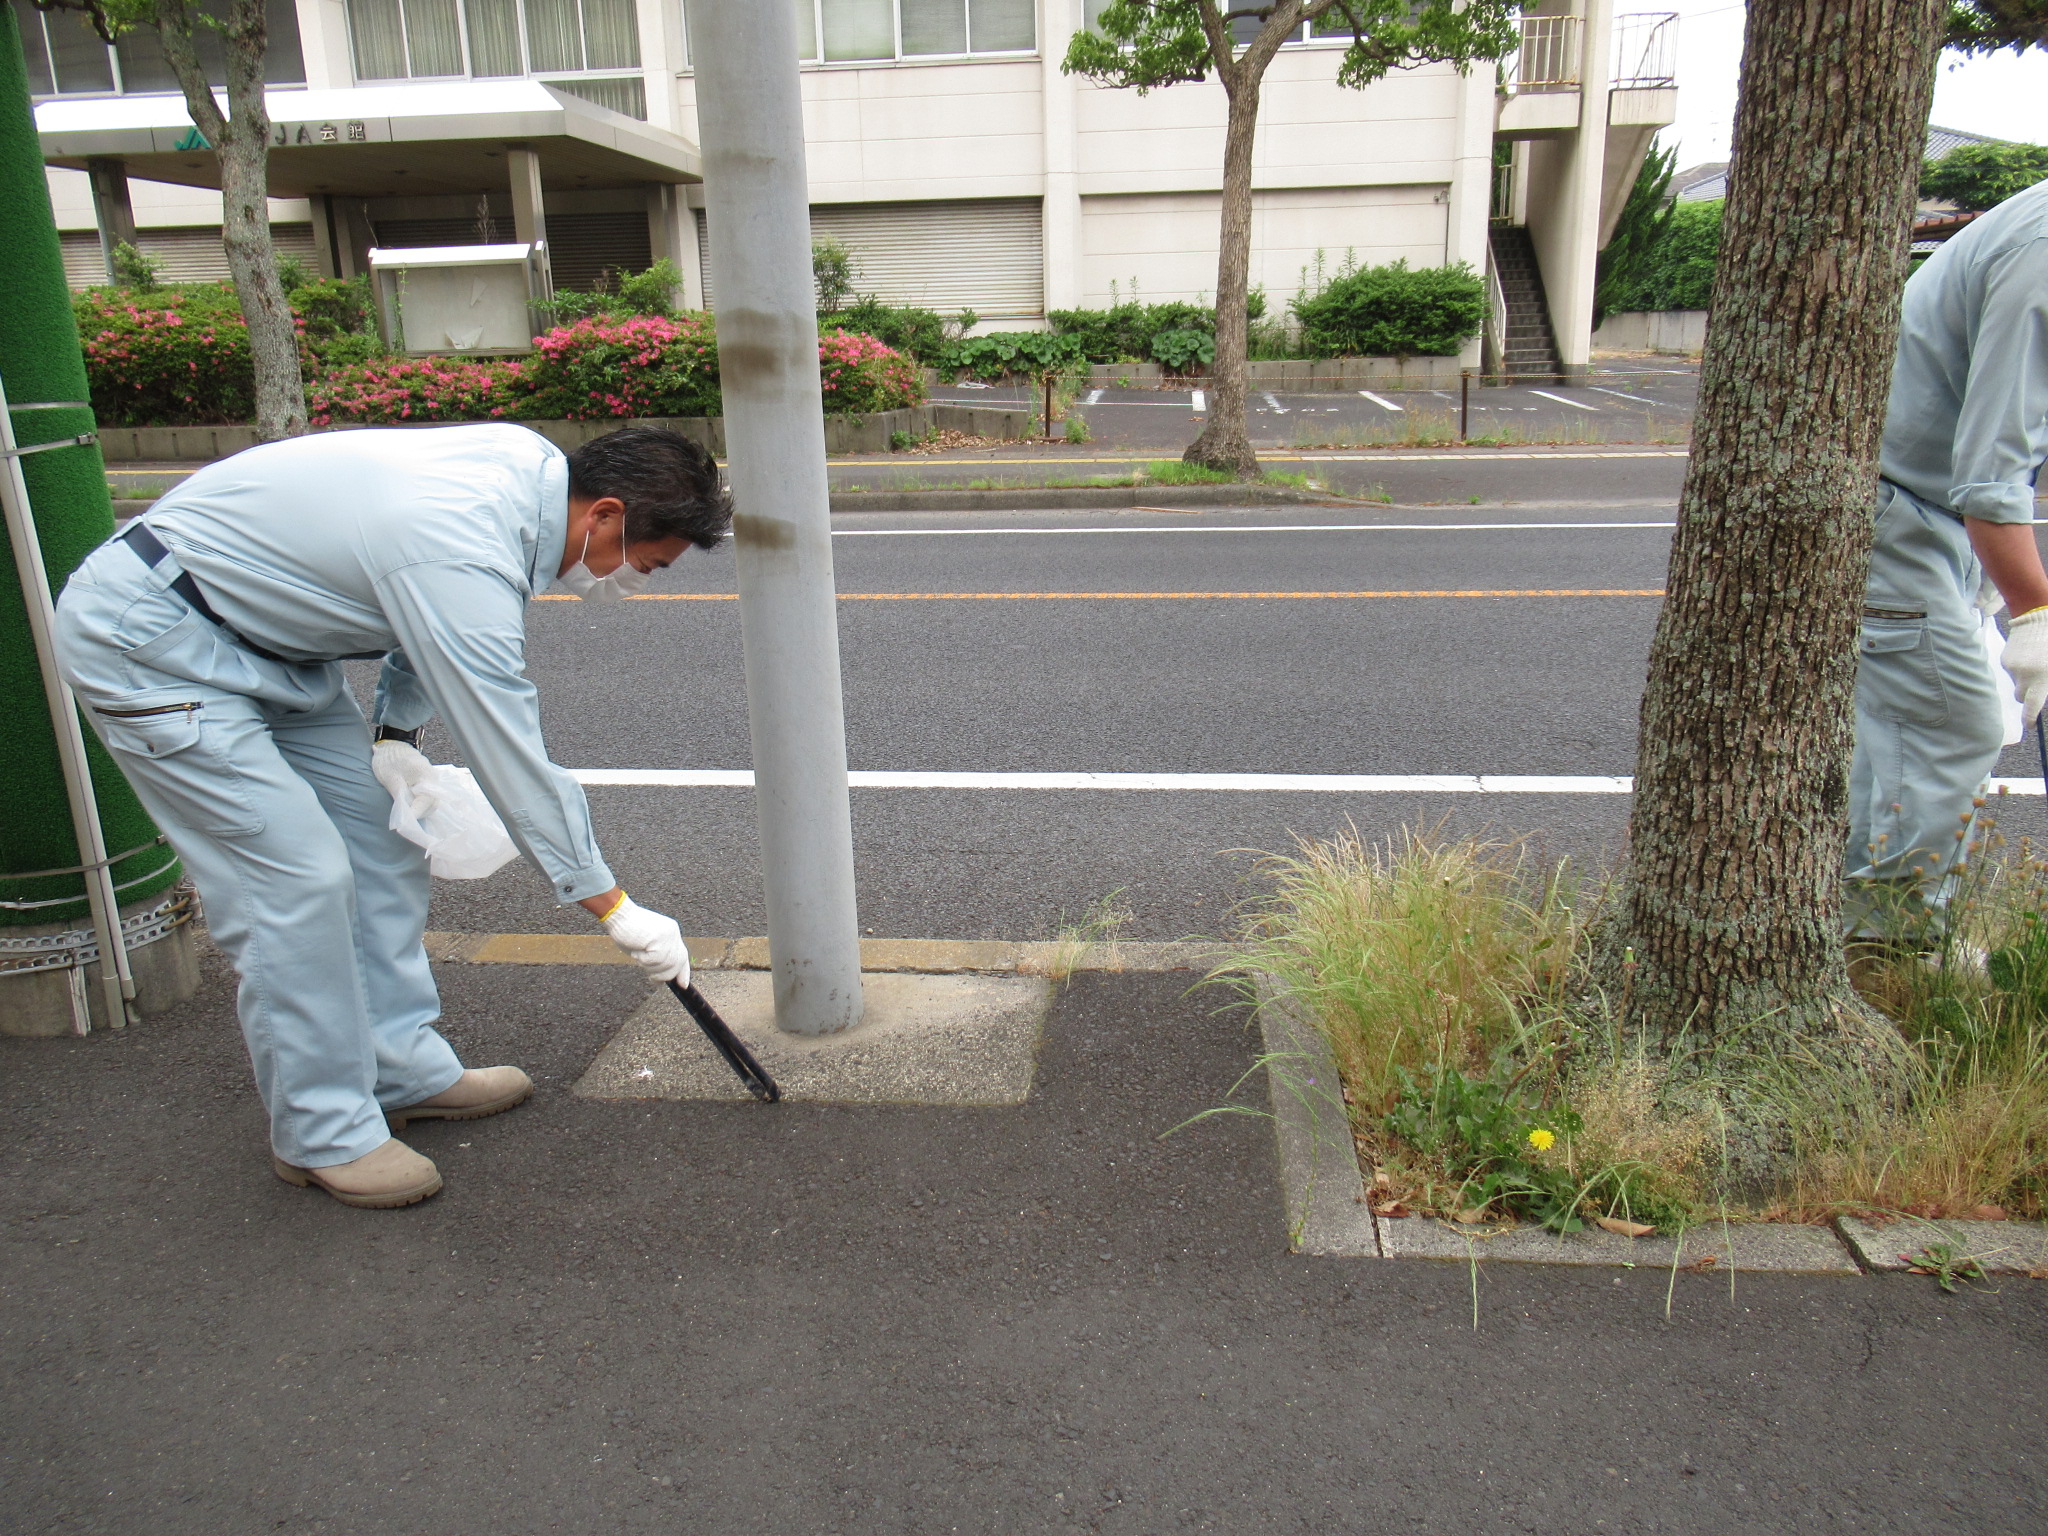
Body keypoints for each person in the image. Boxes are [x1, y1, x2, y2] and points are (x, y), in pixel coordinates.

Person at [53, 423, 731, 1208]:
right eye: (644, 565)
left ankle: (397, 1064)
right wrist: (609, 903)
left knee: (383, 843)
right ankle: (322, 1132)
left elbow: (420, 621)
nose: (633, 582)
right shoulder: (460, 542)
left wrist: (395, 736)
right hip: (153, 640)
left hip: (276, 648)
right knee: (295, 880)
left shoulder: (527, 480)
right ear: (606, 515)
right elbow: (509, 748)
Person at [1847, 176, 2048, 943]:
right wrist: (2035, 611)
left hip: (1930, 507)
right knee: (1947, 719)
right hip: (1900, 503)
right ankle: (1889, 941)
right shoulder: (2042, 253)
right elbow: (1992, 477)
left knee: (1899, 726)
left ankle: (1884, 924)